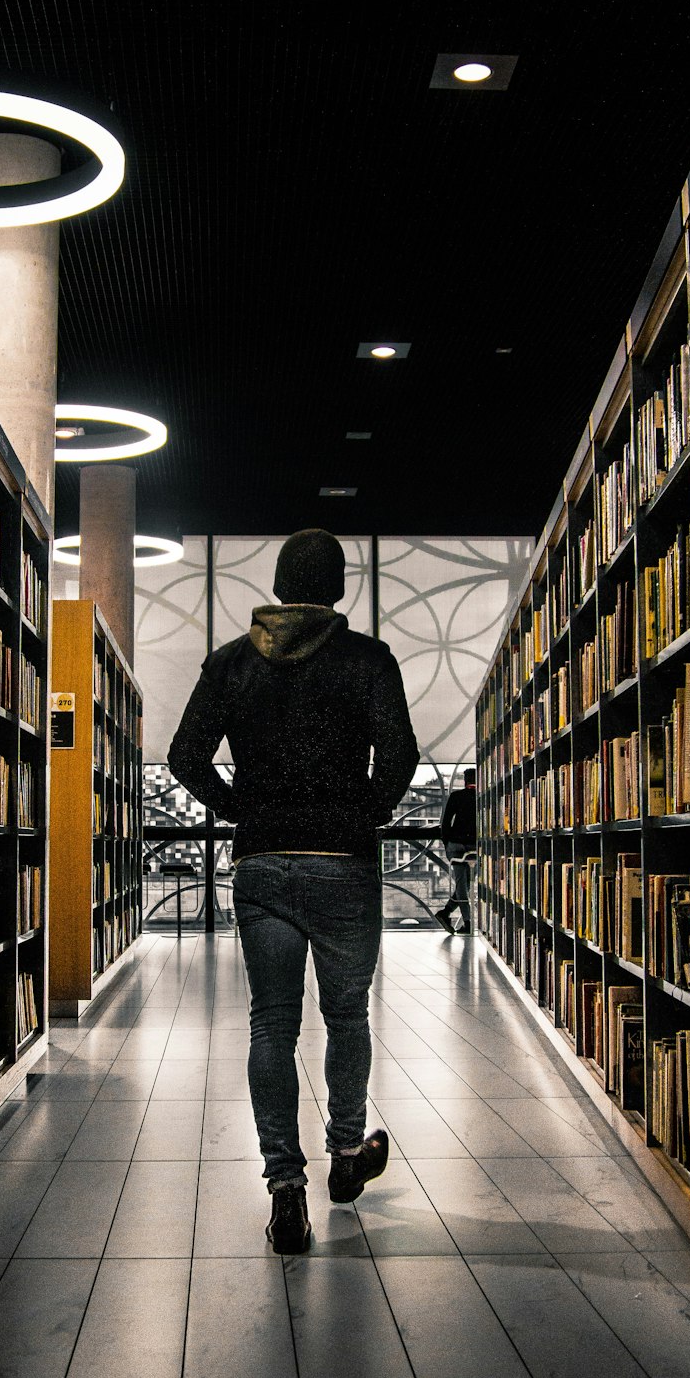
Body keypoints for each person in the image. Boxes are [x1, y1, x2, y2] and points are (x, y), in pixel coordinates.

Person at [168, 528, 420, 1254]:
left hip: (262, 864)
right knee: (346, 1014)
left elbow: (187, 755)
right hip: (343, 859)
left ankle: (285, 1190)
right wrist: (362, 811)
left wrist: (242, 808)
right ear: (338, 586)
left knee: (271, 1024)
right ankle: (346, 1157)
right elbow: (399, 753)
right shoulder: (368, 659)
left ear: (278, 584)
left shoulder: (230, 663)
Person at [435, 766, 477, 935]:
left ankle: (450, 914)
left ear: (465, 780)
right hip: (475, 845)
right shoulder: (483, 797)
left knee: (462, 883)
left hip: (456, 844)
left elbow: (445, 822)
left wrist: (447, 843)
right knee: (466, 883)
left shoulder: (456, 796)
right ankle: (464, 921)